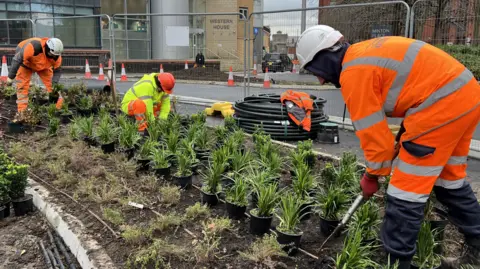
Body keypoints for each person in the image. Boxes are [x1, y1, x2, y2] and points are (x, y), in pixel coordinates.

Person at [296, 25, 480, 268]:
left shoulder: (353, 73)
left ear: (325, 56)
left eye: (314, 70)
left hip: (441, 106)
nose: (320, 80)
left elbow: (377, 143)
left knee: (405, 192)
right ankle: (478, 249)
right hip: (466, 96)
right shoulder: (364, 53)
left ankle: (397, 263)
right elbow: (417, 87)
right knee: (449, 181)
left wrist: (371, 176)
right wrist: (404, 135)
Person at [6, 37, 64, 118]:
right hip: (26, 63)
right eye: (52, 54)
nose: (54, 57)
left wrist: (54, 83)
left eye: (56, 55)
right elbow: (17, 60)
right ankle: (22, 112)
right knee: (22, 87)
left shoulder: (56, 56)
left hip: (43, 66)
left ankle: (59, 108)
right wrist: (10, 77)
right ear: (47, 48)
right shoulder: (34, 47)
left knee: (53, 87)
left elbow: (57, 71)